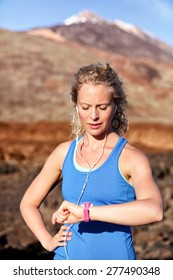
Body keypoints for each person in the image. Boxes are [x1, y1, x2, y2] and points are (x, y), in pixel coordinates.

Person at [20, 63, 163, 260]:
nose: (93, 116)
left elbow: (154, 211)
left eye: (102, 107)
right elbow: (28, 203)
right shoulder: (64, 153)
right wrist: (47, 241)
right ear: (76, 105)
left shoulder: (130, 157)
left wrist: (86, 213)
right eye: (85, 107)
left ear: (116, 105)